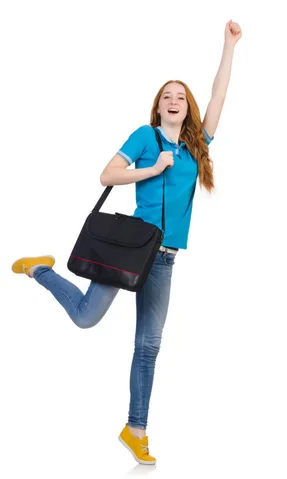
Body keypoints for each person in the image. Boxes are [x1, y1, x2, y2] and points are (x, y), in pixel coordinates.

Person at [11, 20, 242, 466]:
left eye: (180, 97)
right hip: (132, 249)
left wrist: (229, 46)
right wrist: (151, 170)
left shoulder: (198, 144)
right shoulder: (145, 137)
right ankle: (41, 270)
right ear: (157, 108)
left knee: (149, 345)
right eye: (166, 97)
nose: (174, 101)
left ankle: (136, 428)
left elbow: (219, 92)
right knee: (85, 318)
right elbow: (106, 176)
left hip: (165, 258)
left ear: (187, 107)